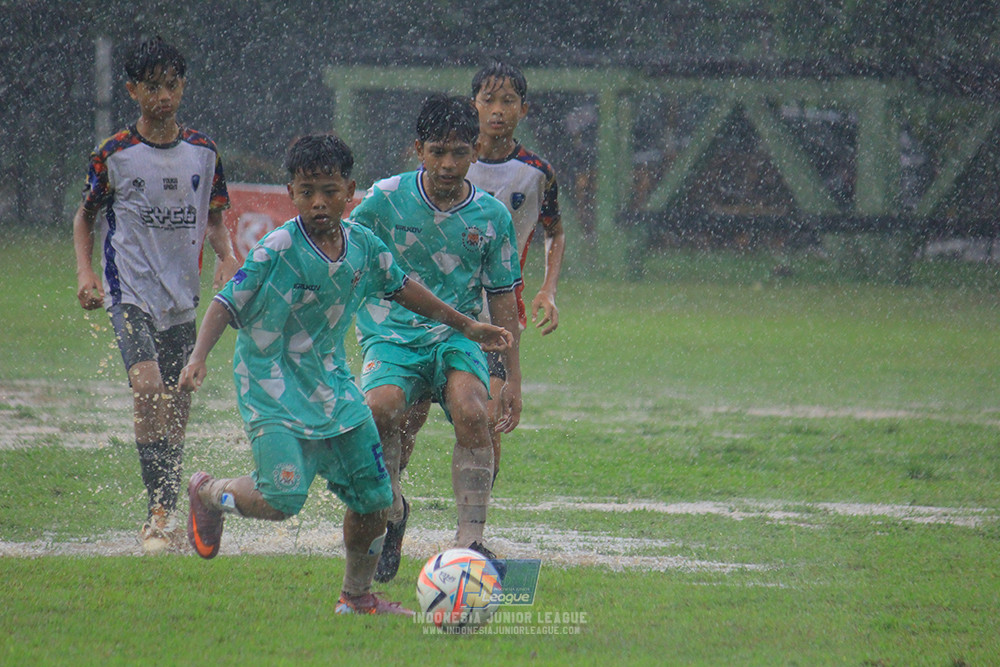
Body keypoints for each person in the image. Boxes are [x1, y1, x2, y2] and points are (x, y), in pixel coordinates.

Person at [178, 135, 511, 616]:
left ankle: (356, 598)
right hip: (272, 386)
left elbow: (404, 289)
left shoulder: (363, 246)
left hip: (332, 386)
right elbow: (227, 302)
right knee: (284, 496)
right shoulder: (277, 247)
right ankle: (208, 492)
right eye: (307, 190)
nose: (318, 202)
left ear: (350, 191)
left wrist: (465, 324)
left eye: (329, 191)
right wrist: (198, 356)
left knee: (377, 499)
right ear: (290, 192)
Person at [72, 36, 239, 555]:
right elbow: (86, 216)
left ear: (183, 87)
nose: (163, 96)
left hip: (182, 299)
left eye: (171, 85)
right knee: (147, 389)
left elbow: (212, 217)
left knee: (177, 402)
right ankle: (158, 512)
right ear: (132, 90)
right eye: (152, 87)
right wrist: (86, 274)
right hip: (131, 293)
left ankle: (173, 500)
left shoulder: (204, 152)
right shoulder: (115, 154)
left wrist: (226, 254)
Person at [350, 94, 523, 583]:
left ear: (475, 152)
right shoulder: (384, 198)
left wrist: (510, 379)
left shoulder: (491, 217)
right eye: (438, 152)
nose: (449, 164)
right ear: (418, 150)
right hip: (391, 333)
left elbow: (504, 304)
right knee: (379, 409)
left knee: (473, 413)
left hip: (459, 336)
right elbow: (347, 253)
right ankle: (392, 509)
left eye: (460, 153)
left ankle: (470, 542)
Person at [398, 61, 564, 489]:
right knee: (407, 418)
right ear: (473, 105)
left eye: (507, 100)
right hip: (433, 308)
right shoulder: (446, 161)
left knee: (487, 418)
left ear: (523, 109)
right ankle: (388, 502)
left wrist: (547, 287)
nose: (497, 110)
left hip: (496, 311)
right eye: (487, 99)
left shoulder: (537, 173)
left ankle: (476, 524)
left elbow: (554, 231)